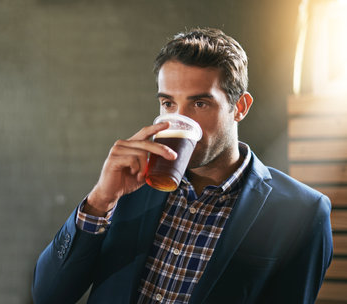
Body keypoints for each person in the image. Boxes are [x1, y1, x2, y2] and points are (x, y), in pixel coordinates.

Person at [32, 28, 333, 304]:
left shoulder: (302, 212)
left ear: (239, 107)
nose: (180, 119)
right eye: (168, 104)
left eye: (199, 104)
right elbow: (48, 295)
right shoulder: (129, 183)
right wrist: (100, 200)